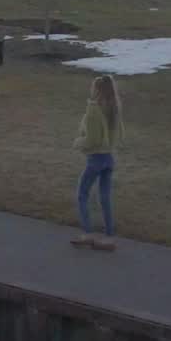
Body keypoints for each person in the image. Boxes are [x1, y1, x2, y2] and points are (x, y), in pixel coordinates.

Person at [71, 75, 123, 251]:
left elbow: (92, 140)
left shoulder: (93, 110)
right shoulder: (114, 108)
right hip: (109, 158)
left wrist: (78, 142)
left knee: (82, 194)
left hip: (95, 159)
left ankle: (88, 234)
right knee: (105, 198)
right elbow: (118, 134)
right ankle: (109, 237)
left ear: (97, 90)